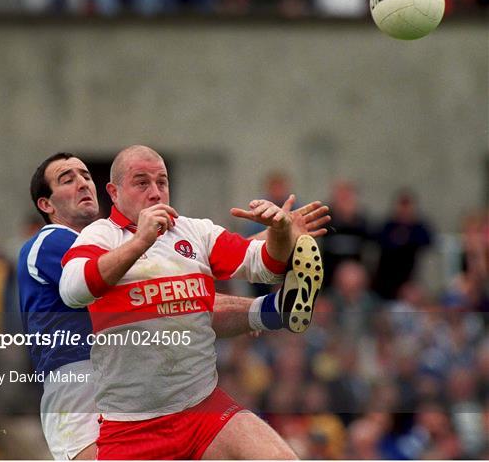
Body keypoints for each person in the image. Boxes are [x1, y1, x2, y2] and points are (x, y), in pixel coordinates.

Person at [19, 151, 330, 459]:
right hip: (86, 393)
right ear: (46, 204)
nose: (83, 183)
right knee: (172, 301)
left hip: (181, 397)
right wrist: (145, 241)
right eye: (67, 179)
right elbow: (84, 285)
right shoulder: (63, 240)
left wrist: (278, 233)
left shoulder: (173, 232)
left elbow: (248, 266)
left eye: (86, 175)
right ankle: (271, 310)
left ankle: (274, 310)